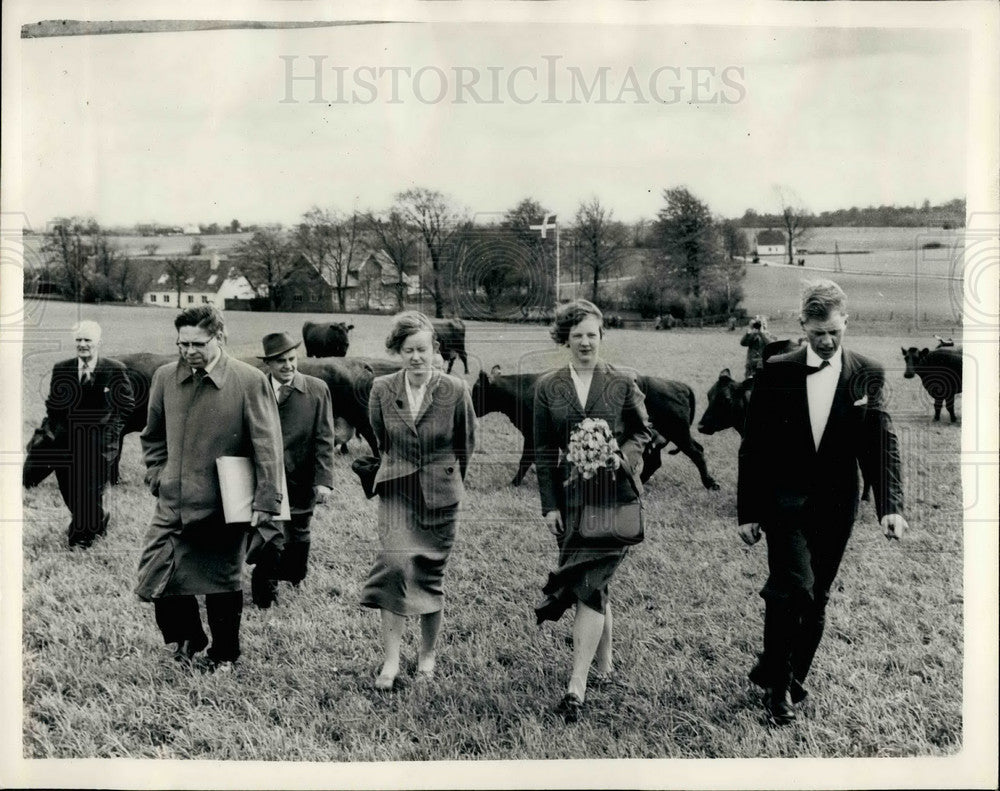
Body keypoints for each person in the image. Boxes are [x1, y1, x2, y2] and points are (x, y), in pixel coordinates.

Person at [737, 280, 907, 725]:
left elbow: (881, 442)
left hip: (837, 504)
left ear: (846, 321)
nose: (827, 342)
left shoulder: (868, 372)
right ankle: (779, 691)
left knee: (817, 597)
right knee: (793, 588)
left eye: (834, 331)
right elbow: (754, 446)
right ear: (802, 326)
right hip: (784, 502)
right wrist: (749, 512)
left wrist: (890, 506)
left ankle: (787, 674)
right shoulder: (777, 371)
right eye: (817, 334)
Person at [135, 306, 285, 671]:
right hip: (173, 501)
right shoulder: (164, 377)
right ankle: (189, 637)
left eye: (198, 344)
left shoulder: (249, 380)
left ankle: (224, 655)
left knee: (222, 582)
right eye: (182, 344)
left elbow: (268, 446)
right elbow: (152, 436)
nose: (189, 351)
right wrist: (158, 475)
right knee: (157, 571)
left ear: (219, 337)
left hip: (225, 504)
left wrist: (266, 501)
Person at [533, 299, 653, 722]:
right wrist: (550, 505)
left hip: (615, 498)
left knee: (589, 581)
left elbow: (642, 431)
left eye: (592, 334)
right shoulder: (547, 387)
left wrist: (623, 456)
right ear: (565, 339)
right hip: (571, 502)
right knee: (593, 583)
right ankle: (605, 664)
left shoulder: (621, 380)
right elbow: (543, 449)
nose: (585, 342)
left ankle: (577, 684)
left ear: (602, 337)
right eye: (577, 335)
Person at [360, 311, 476, 690]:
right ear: (398, 352)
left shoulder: (455, 389)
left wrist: (448, 481)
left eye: (422, 349)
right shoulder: (381, 389)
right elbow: (381, 438)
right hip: (397, 491)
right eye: (408, 350)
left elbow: (466, 444)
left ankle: (427, 655)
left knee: (429, 574)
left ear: (435, 349)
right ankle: (391, 660)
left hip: (441, 495)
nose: (416, 357)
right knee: (394, 567)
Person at [250, 332, 336, 608]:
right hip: (266, 477)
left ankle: (294, 573)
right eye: (280, 361)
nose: (288, 366)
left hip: (301, 476)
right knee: (268, 534)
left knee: (298, 533)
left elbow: (325, 438)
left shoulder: (317, 389)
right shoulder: (255, 389)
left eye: (291, 359)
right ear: (268, 364)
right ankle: (265, 591)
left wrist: (324, 480)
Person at [43, 320, 135, 548]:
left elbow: (126, 405)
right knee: (69, 489)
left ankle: (81, 538)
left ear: (98, 343)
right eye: (79, 340)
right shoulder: (62, 368)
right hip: (67, 443)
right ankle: (97, 520)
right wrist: (57, 432)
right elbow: (54, 405)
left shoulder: (114, 369)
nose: (82, 344)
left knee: (90, 491)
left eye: (87, 340)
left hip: (100, 444)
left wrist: (111, 433)